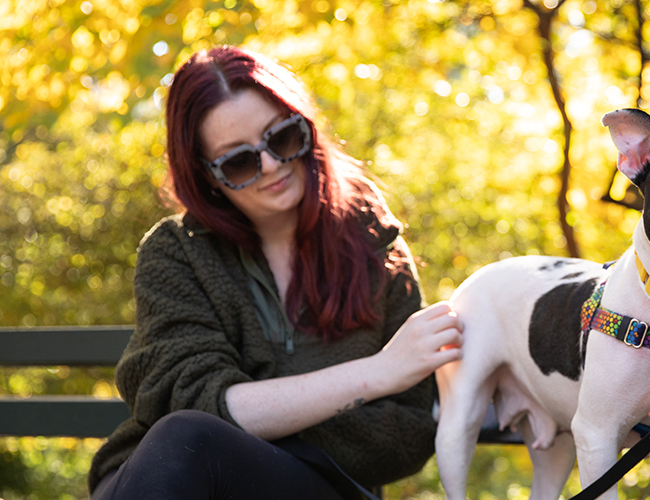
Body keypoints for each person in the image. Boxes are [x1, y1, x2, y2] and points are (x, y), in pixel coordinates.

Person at [88, 45, 463, 500]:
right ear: (207, 176)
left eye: (282, 137)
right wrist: (378, 374)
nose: (271, 166)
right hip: (168, 478)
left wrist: (257, 416)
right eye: (239, 161)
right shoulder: (177, 254)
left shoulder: (374, 246)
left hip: (316, 489)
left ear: (305, 127)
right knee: (186, 438)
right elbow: (188, 402)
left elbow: (405, 436)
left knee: (193, 437)